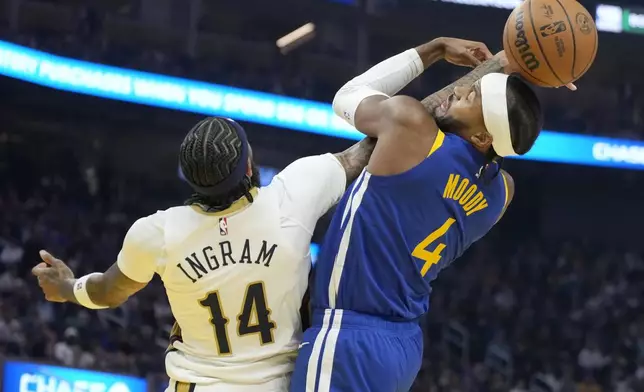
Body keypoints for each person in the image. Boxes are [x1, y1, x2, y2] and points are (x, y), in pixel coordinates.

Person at [290, 36, 569, 392]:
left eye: (473, 96)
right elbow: (498, 137)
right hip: (401, 345)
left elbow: (347, 95)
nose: (460, 91)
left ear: (484, 136)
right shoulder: (501, 195)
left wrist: (435, 49)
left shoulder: (413, 129)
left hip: (348, 335)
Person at [32, 117, 375, 392]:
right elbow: (365, 150)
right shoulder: (295, 194)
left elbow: (108, 291)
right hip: (278, 383)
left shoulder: (157, 232)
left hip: (196, 384)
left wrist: (66, 288)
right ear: (249, 166)